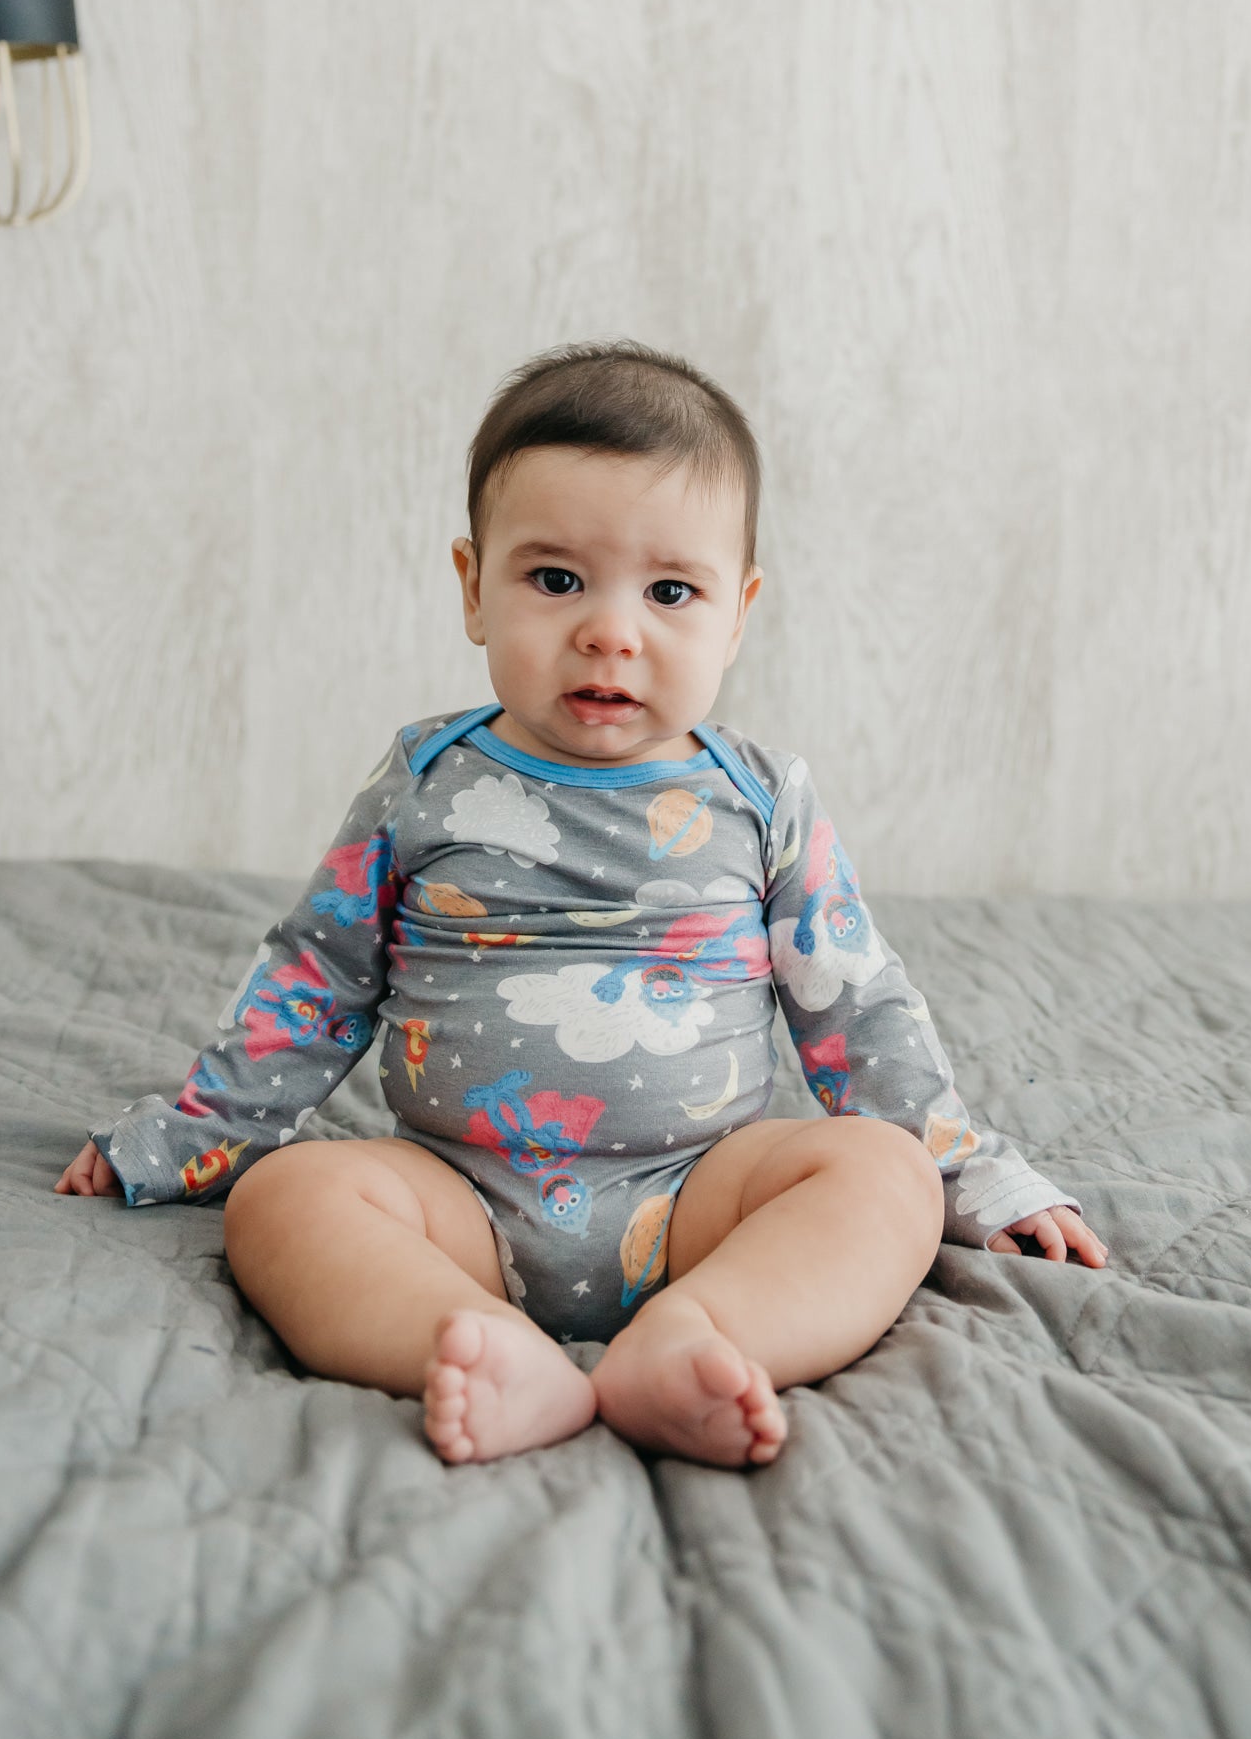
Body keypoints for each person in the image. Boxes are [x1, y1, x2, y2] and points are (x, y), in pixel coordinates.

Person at [58, 341, 1106, 1467]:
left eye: (670, 592)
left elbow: (856, 1006)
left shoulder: (760, 797)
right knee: (285, 1198)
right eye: (555, 580)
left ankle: (701, 1333)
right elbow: (316, 976)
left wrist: (968, 1169)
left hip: (703, 1199)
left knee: (878, 1176)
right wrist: (198, 1134)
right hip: (458, 1201)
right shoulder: (425, 779)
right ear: (473, 588)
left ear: (737, 612)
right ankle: (469, 1345)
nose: (611, 630)